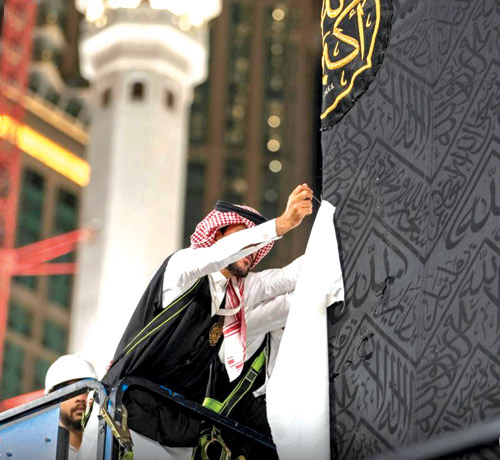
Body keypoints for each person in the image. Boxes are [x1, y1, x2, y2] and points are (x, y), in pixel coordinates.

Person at [87, 183, 313, 459]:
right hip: (127, 415)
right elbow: (218, 255)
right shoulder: (180, 271)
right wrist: (282, 224)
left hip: (177, 431)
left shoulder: (235, 295)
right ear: (217, 235)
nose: (251, 251)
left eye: (257, 247)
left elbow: (288, 279)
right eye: (244, 238)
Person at [45, 354, 97, 459]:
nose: (81, 398)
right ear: (53, 400)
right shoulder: (45, 453)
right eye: (70, 391)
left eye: (86, 390)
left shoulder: (107, 446)